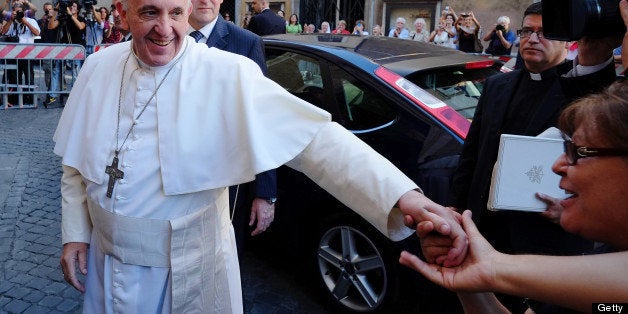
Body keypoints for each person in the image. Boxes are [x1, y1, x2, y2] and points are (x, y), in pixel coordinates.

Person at [54, 0, 468, 313]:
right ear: (124, 12)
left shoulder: (226, 72)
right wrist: (76, 231)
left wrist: (405, 198)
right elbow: (77, 163)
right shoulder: (98, 67)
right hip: (106, 266)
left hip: (184, 273)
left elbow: (315, 140)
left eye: (176, 14)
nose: (165, 29)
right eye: (149, 13)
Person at [446, 1, 619, 311]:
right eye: (527, 31)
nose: (532, 38)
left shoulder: (582, 85)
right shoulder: (497, 85)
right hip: (488, 226)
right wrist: (457, 206)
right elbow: (472, 153)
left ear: (568, 41)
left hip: (544, 235)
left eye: (543, 32)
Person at [401, 80, 628, 313]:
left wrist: (494, 267)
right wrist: (473, 279)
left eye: (578, 152)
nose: (557, 165)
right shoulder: (601, 266)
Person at [188, 0, 277, 255]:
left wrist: (266, 192)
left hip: (227, 184)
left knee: (224, 263)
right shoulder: (166, 38)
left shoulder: (246, 42)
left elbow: (262, 118)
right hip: (174, 180)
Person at [1, 2, 40, 107]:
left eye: (19, 12)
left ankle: (30, 99)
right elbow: (3, 32)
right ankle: (15, 99)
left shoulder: (31, 20)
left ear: (23, 12)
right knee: (14, 78)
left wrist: (25, 21)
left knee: (29, 78)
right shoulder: (11, 22)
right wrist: (10, 20)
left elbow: (37, 33)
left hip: (28, 55)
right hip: (14, 56)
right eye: (15, 11)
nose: (18, 14)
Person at [47, 0, 85, 105]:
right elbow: (50, 26)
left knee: (75, 73)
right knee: (56, 71)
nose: (70, 7)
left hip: (76, 49)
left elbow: (80, 26)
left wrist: (70, 15)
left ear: (77, 9)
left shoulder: (81, 18)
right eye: (70, 6)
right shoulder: (64, 18)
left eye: (73, 6)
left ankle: (75, 95)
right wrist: (55, 11)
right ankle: (52, 96)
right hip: (63, 48)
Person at [36, 2, 55, 108]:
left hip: (58, 50)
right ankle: (50, 92)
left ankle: (59, 92)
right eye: (46, 10)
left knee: (58, 72)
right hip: (46, 50)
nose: (48, 12)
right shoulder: (41, 21)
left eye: (50, 9)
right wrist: (43, 21)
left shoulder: (57, 21)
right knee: (48, 72)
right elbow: (38, 33)